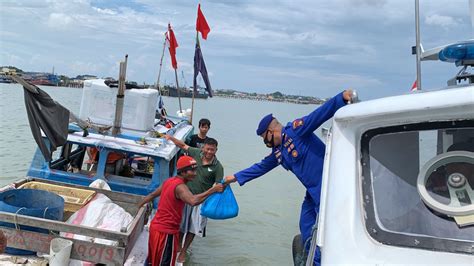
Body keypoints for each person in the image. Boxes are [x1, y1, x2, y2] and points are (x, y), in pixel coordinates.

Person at [223, 90, 355, 265]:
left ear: (271, 131)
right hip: (312, 192)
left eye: (265, 138)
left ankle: (320, 261)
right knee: (306, 224)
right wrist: (234, 177)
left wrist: (341, 98)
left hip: (328, 188)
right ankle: (311, 260)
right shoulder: (279, 152)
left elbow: (318, 115)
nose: (266, 143)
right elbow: (261, 167)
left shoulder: (297, 130)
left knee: (323, 233)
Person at [138, 156, 223, 266]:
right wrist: (212, 190)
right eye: (192, 170)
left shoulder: (169, 181)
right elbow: (193, 201)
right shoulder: (180, 187)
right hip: (166, 233)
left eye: (195, 170)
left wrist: (138, 207)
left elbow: (152, 195)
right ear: (182, 172)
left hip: (156, 228)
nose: (195, 173)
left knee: (154, 261)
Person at [163, 135, 223, 263]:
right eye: (207, 149)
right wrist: (171, 138)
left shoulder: (218, 167)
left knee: (193, 228)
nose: (209, 152)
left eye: (212, 150)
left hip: (201, 201)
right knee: (181, 224)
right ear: (203, 148)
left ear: (216, 150)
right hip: (185, 197)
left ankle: (184, 250)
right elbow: (183, 146)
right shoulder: (196, 153)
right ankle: (178, 246)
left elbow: (218, 186)